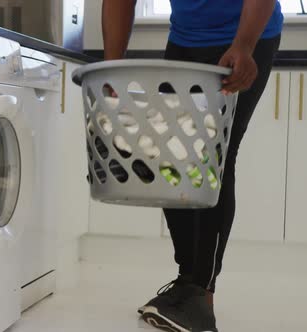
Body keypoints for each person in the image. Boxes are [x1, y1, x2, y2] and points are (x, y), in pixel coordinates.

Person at [102, 1, 283, 331]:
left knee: (213, 158)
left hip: (243, 36)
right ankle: (188, 282)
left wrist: (244, 45)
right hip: (185, 40)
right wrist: (111, 66)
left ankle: (202, 295)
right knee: (171, 157)